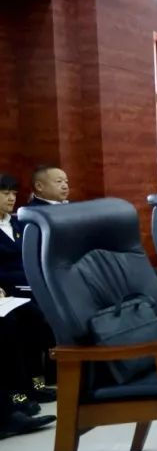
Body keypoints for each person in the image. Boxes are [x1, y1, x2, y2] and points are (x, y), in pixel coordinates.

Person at [1, 173, 58, 405]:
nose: (11, 198)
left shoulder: (17, 223)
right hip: (8, 289)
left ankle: (37, 383)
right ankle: (18, 391)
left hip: (29, 286)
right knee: (19, 321)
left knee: (43, 314)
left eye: (13, 194)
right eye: (5, 193)